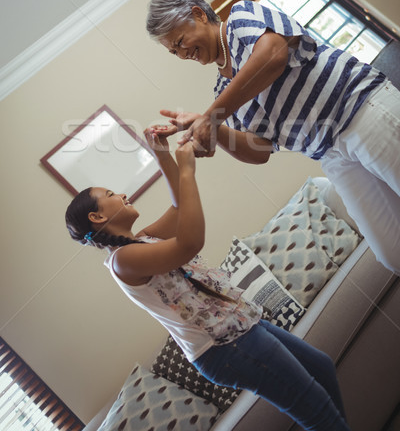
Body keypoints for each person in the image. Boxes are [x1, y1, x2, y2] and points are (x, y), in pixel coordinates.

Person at [65, 128, 351, 431]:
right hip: (226, 346)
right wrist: (187, 169)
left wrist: (162, 154)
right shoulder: (122, 261)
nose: (122, 194)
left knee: (321, 369)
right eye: (111, 195)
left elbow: (178, 207)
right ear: (97, 218)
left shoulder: (141, 242)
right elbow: (189, 243)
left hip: (238, 325)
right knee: (314, 408)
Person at [146, 0, 400, 275]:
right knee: (392, 252)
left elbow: (273, 54)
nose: (181, 53)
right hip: (330, 153)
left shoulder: (241, 17)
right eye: (173, 51)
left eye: (179, 41)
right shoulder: (222, 91)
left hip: (360, 109)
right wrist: (212, 130)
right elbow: (260, 149)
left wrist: (211, 118)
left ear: (198, 14)